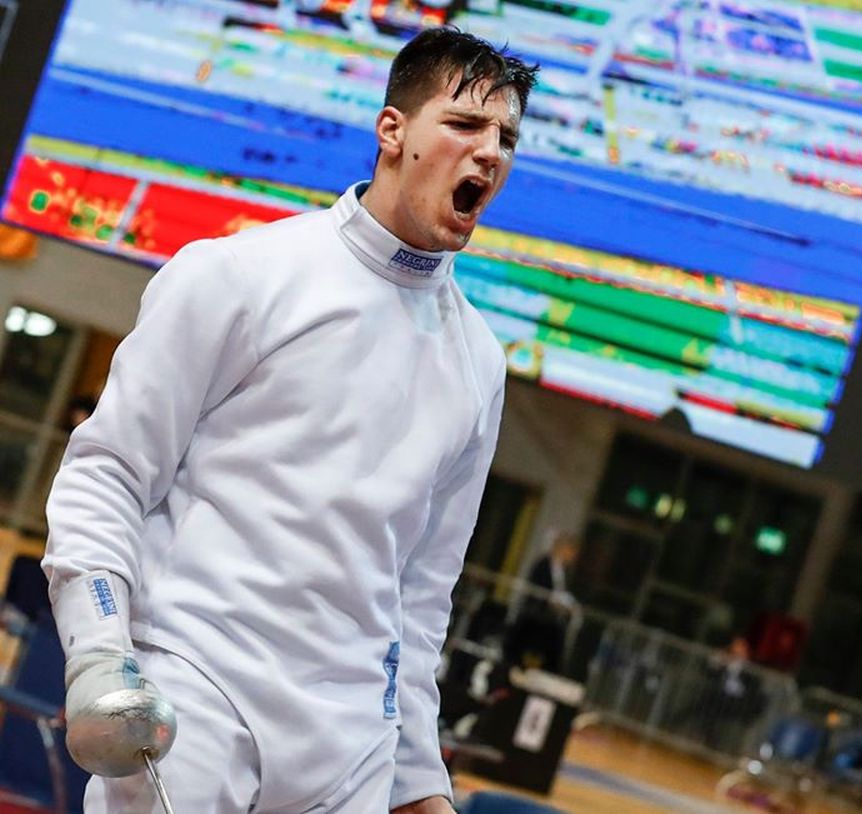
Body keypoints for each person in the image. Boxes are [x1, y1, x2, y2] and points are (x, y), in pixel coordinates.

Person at [41, 28, 537, 813]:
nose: (489, 151)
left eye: (505, 138)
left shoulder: (478, 362)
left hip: (350, 751)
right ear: (392, 130)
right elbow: (109, 473)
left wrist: (417, 782)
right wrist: (99, 653)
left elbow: (420, 598)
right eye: (465, 124)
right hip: (196, 701)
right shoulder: (243, 275)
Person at [504, 530, 580, 673]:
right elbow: (538, 590)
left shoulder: (563, 571)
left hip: (551, 619)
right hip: (536, 616)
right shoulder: (543, 565)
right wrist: (552, 602)